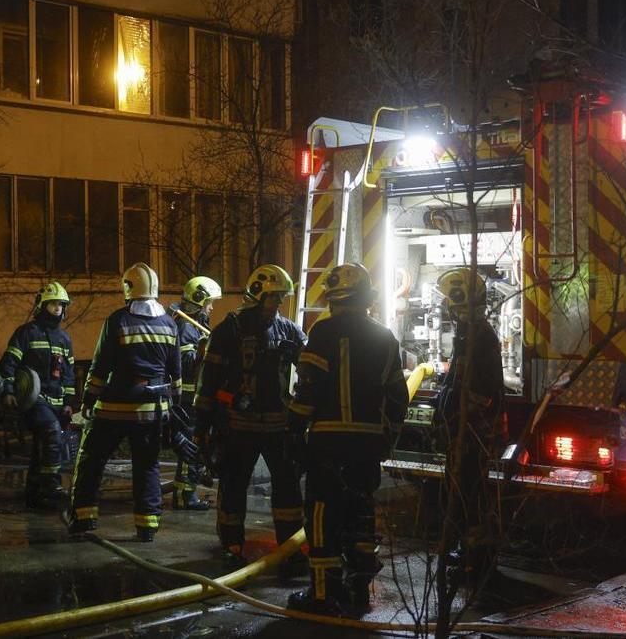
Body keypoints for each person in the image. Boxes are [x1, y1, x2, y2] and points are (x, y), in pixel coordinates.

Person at [285, 263, 408, 616]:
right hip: (367, 446)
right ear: (366, 297)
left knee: (323, 516)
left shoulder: (322, 332)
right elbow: (398, 397)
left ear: (335, 299)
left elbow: (308, 391)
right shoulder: (385, 337)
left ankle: (323, 595)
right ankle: (359, 590)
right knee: (360, 513)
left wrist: (293, 427)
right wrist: (387, 438)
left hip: (327, 444)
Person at [195, 264, 307, 565]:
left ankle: (291, 549)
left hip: (278, 427)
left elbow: (310, 366)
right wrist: (201, 425)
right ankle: (232, 546)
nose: (279, 304)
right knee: (233, 487)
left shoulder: (288, 330)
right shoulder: (228, 330)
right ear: (257, 295)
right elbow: (209, 381)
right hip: (237, 427)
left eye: (281, 298)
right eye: (274, 298)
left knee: (287, 490)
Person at [69, 263, 181, 542]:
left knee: (91, 460)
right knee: (148, 466)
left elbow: (100, 366)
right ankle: (147, 527)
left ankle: (84, 518)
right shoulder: (169, 324)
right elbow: (176, 373)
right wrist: (174, 408)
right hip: (153, 410)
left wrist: (88, 400)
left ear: (129, 288)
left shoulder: (118, 321)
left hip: (114, 409)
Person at [435, 267, 505, 591]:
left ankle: (476, 560)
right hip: (466, 431)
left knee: (472, 497)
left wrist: (455, 409)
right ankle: (468, 553)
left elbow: (486, 391)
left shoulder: (479, 335)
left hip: (473, 433)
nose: (451, 313)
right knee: (464, 494)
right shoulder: (468, 334)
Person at [0, 281, 77, 509]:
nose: (57, 309)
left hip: (56, 401)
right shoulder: (26, 333)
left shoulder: (65, 339)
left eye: (61, 305)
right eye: (52, 304)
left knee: (41, 446)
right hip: (34, 399)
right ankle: (51, 485)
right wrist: (8, 390)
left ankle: (33, 494)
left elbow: (69, 374)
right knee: (51, 433)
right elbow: (9, 365)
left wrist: (69, 402)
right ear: (42, 306)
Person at [167, 275, 222, 510]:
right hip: (188, 399)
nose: (211, 307)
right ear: (198, 299)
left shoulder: (192, 324)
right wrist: (206, 351)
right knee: (192, 446)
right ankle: (185, 496)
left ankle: (184, 493)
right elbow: (187, 364)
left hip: (192, 397)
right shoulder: (186, 327)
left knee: (195, 446)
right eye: (209, 302)